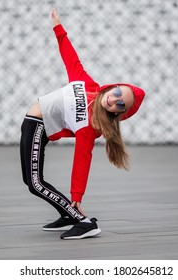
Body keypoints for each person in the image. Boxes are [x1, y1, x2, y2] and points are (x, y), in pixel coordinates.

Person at [20, 8, 145, 240]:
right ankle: (68, 215)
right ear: (111, 87)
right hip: (31, 123)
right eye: (117, 93)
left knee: (35, 183)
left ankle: (82, 221)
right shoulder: (87, 85)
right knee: (30, 181)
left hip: (39, 125)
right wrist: (58, 28)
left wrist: (77, 194)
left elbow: (82, 159)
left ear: (118, 114)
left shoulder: (91, 125)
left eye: (120, 105)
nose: (114, 100)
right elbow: (71, 57)